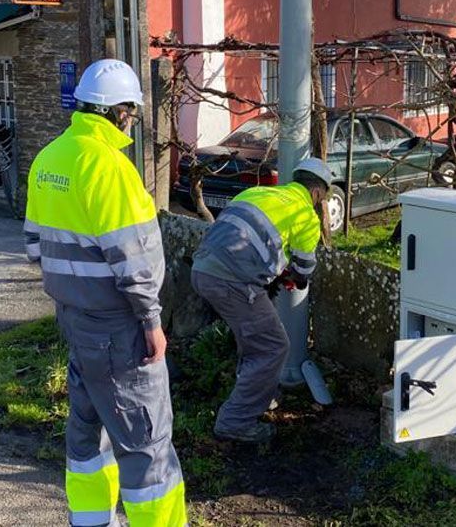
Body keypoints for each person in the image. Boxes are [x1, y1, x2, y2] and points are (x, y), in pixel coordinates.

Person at [23, 59, 186, 527]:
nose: (131, 121)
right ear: (119, 111)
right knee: (146, 445)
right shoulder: (110, 166)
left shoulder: (50, 157)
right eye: (131, 113)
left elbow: (34, 245)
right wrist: (151, 322)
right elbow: (134, 259)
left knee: (87, 434)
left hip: (75, 319)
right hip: (120, 328)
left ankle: (91, 521)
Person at [190, 157, 330, 443]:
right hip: (233, 281)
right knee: (273, 347)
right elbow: (303, 270)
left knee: (254, 340)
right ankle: (236, 422)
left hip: (202, 268)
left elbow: (242, 235)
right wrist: (293, 276)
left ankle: (257, 395)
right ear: (317, 193)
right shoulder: (305, 215)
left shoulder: (257, 192)